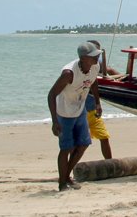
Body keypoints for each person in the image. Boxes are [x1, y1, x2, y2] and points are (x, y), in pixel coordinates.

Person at [48, 42, 102, 191]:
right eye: (94, 56)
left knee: (84, 144)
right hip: (64, 113)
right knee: (66, 148)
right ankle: (62, 183)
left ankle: (66, 177)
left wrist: (97, 102)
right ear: (84, 58)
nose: (97, 57)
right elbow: (51, 95)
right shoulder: (69, 73)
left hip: (80, 110)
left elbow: (93, 82)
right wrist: (54, 121)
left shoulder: (95, 66)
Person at [85, 40, 120, 160]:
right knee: (81, 143)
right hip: (80, 112)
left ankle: (110, 163)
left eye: (99, 54)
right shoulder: (80, 67)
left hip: (93, 111)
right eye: (95, 54)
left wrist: (122, 80)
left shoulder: (97, 63)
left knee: (104, 137)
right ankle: (69, 169)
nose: (97, 56)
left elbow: (109, 70)